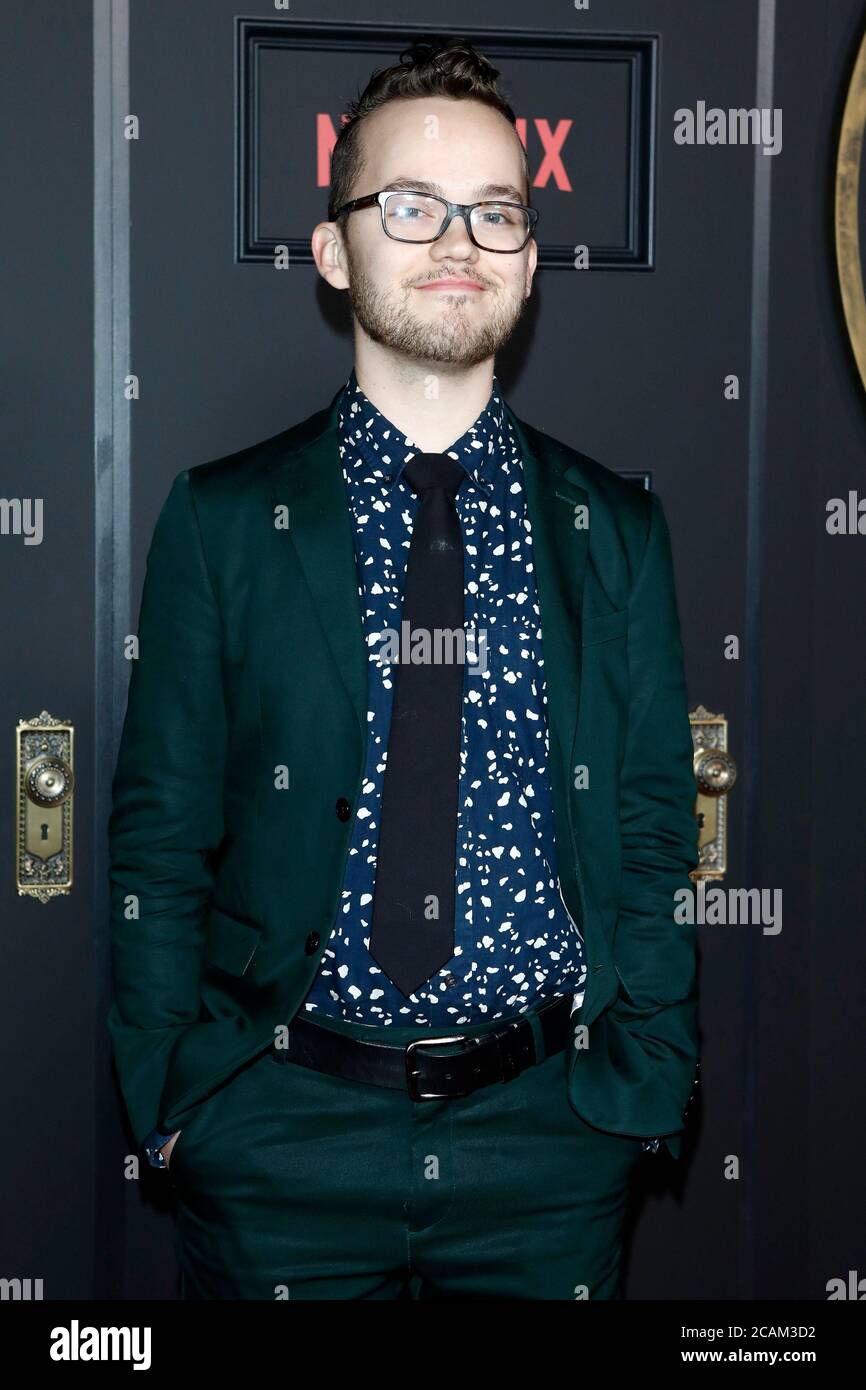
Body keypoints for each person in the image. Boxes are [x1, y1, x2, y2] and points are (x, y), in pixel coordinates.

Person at [107, 34, 700, 1301]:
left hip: (548, 1144)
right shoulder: (223, 519)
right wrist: (171, 1087)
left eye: (494, 213)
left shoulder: (615, 531)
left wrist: (644, 1079)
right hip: (280, 1139)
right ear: (333, 250)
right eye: (411, 205)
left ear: (530, 266)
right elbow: (161, 833)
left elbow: (653, 832)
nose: (457, 243)